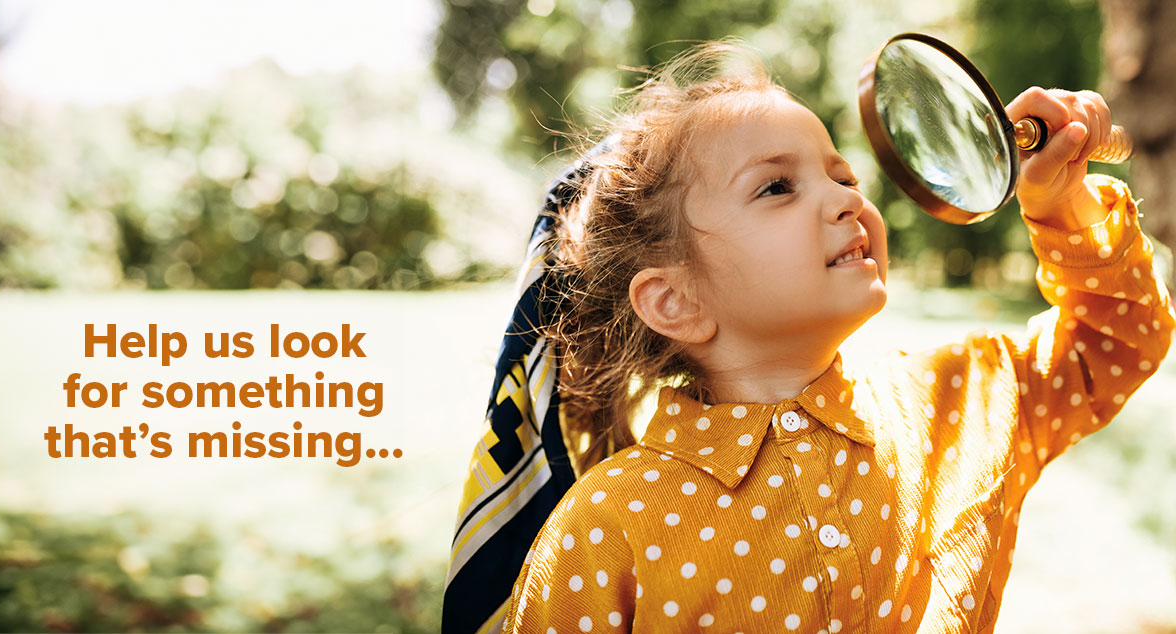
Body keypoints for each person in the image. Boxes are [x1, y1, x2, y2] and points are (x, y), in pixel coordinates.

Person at [496, 41, 1174, 632]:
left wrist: (1062, 203)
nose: (848, 198)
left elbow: (1113, 341)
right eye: (777, 188)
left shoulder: (955, 399)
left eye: (843, 175)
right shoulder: (608, 525)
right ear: (675, 300)